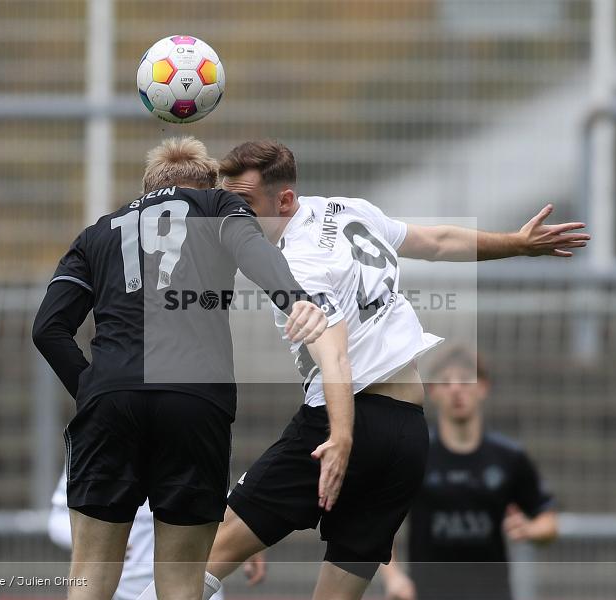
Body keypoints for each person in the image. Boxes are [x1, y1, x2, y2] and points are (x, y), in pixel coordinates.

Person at [135, 139, 587, 600]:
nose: (233, 218)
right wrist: (517, 243)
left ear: (285, 200)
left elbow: (337, 355)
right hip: (408, 436)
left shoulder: (295, 263)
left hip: (341, 424)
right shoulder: (347, 209)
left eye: (245, 205)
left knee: (197, 564)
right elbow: (436, 242)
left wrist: (341, 437)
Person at [31, 136, 328, 600]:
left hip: (111, 399)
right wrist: (296, 300)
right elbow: (255, 252)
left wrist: (91, 389)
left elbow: (48, 329)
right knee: (181, 585)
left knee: (89, 578)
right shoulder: (218, 206)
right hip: (193, 400)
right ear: (208, 185)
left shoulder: (97, 232)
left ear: (147, 186)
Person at [381, 345, 558, 600]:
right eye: (446, 382)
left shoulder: (509, 457)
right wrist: (394, 577)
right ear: (432, 390)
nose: (456, 389)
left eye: (465, 380)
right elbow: (379, 523)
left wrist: (530, 529)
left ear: (483, 387)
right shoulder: (415, 456)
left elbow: (549, 522)